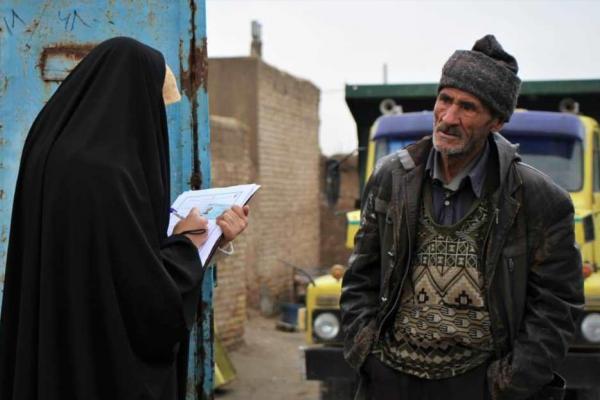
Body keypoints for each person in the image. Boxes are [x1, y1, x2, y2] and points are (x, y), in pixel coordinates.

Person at [0, 37, 249, 400]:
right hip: (93, 372)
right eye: (155, 106)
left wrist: (203, 244)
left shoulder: (50, 147)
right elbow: (145, 305)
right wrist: (188, 244)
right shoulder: (107, 173)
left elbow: (102, 265)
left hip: (49, 354)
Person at [340, 34, 584, 400]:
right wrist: (367, 354)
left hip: (480, 386)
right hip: (390, 381)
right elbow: (360, 276)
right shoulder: (391, 178)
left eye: (467, 107)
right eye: (445, 100)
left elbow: (556, 308)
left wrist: (509, 382)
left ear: (497, 121)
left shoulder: (538, 199)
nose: (449, 118)